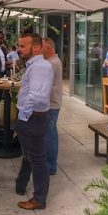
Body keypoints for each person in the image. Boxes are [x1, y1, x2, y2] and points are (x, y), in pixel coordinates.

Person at [15, 33, 54, 210]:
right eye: (19, 45)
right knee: (29, 155)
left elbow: (38, 97)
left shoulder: (40, 66)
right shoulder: (35, 65)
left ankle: (39, 199)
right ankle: (21, 183)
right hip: (30, 118)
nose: (19, 49)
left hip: (32, 119)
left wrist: (24, 114)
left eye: (23, 46)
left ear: (36, 48)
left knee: (37, 160)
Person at [43, 38, 63, 176]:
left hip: (51, 104)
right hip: (53, 103)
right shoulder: (54, 61)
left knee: (50, 134)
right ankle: (50, 163)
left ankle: (50, 166)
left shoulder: (51, 64)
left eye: (42, 47)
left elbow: (45, 86)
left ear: (49, 48)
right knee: (50, 133)